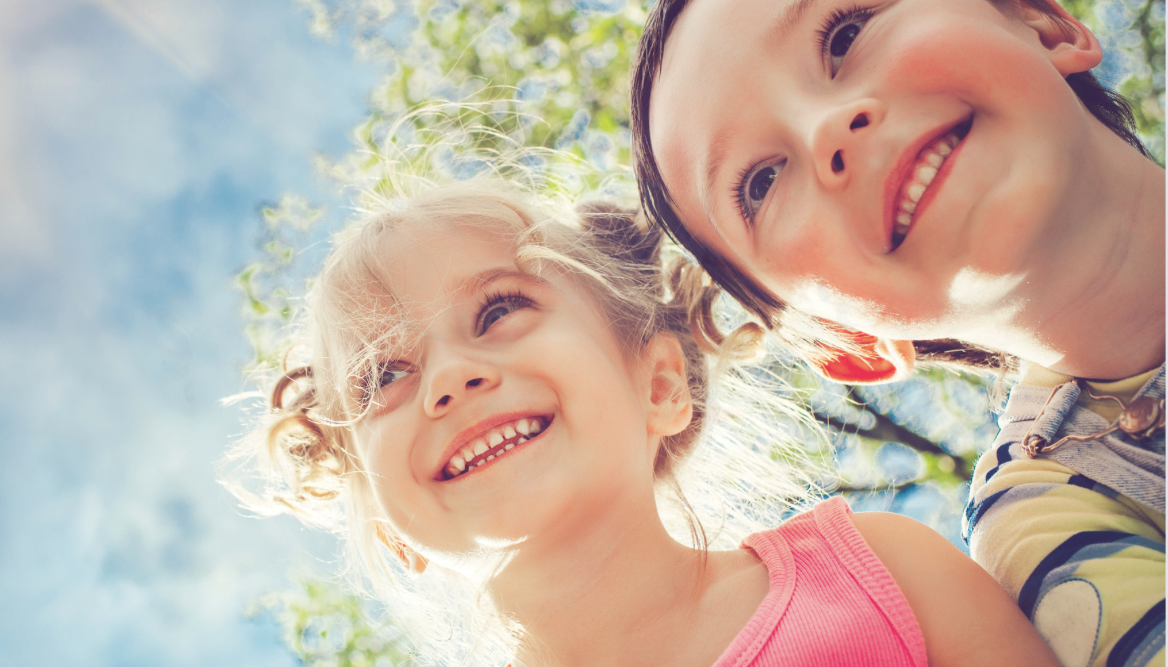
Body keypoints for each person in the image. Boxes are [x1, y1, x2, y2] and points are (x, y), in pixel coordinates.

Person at [227, 178, 1057, 666]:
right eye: (384, 375)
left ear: (658, 383)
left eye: (499, 310)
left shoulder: (877, 573)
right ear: (384, 520)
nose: (449, 376)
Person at [628, 0, 1165, 667]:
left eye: (844, 37)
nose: (827, 130)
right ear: (842, 342)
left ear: (1043, 24)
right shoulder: (1053, 520)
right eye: (761, 181)